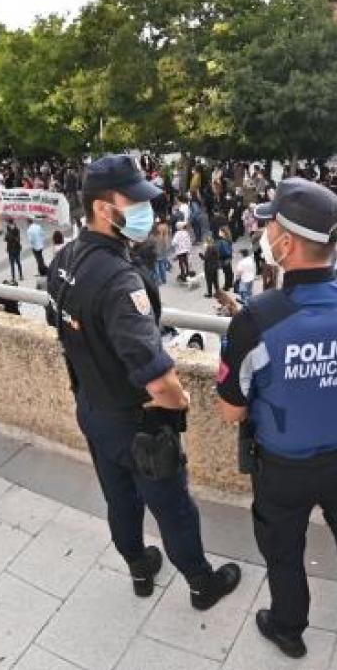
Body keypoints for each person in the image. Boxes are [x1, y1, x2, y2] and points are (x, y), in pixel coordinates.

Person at [214, 178, 337, 660]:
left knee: (283, 549)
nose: (265, 235)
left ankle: (289, 628)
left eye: (269, 226)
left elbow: (231, 409)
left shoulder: (256, 319)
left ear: (288, 242)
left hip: (283, 467)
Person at [45, 155, 240, 612]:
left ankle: (138, 567)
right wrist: (180, 398)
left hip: (93, 408)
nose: (145, 209)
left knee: (119, 499)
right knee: (173, 509)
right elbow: (157, 378)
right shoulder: (119, 281)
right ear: (101, 208)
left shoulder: (64, 259)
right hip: (139, 425)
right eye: (131, 200)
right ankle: (200, 584)